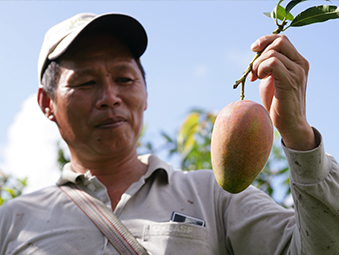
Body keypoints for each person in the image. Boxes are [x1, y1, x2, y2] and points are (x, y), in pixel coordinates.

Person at [0, 12, 338, 255]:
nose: (110, 97)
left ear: (146, 93)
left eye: (124, 79)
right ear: (47, 103)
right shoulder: (13, 221)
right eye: (86, 82)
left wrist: (299, 135)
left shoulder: (214, 197)